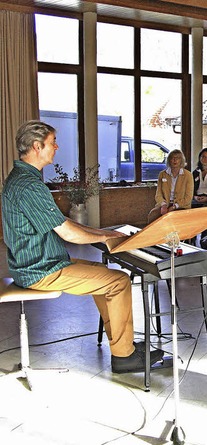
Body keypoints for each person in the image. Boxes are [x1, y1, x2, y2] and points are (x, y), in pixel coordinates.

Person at [1, 120, 163, 373]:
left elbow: (61, 221)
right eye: (52, 142)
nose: (56, 147)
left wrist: (105, 233)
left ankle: (124, 345)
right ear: (36, 146)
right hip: (42, 270)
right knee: (118, 281)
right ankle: (124, 357)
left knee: (105, 278)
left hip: (41, 263)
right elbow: (68, 233)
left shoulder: (23, 179)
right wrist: (104, 237)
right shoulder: (29, 185)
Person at [148, 149, 193, 223]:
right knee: (153, 215)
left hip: (181, 206)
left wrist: (174, 206)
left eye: (177, 158)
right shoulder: (162, 174)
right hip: (166, 204)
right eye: (172, 158)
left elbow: (188, 198)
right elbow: (158, 194)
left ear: (181, 160)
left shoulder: (188, 175)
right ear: (169, 160)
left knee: (175, 217)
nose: (175, 160)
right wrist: (163, 205)